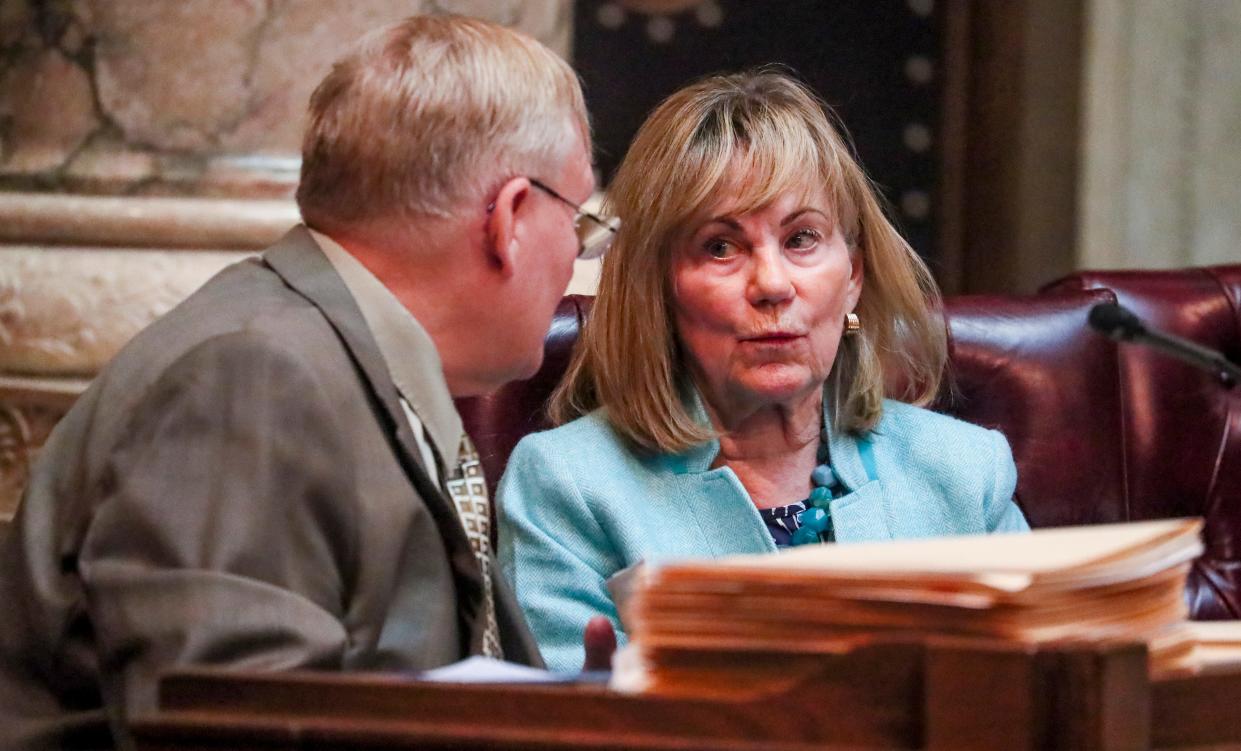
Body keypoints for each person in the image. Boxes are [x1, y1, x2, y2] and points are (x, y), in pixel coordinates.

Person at [0, 15, 608, 750]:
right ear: (509, 217)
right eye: (578, 222)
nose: (575, 255)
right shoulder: (254, 375)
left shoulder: (340, 357)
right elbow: (229, 731)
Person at [497, 70, 1031, 672]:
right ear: (659, 290)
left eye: (802, 238)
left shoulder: (964, 473)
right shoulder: (569, 487)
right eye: (720, 247)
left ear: (853, 277)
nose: (773, 285)